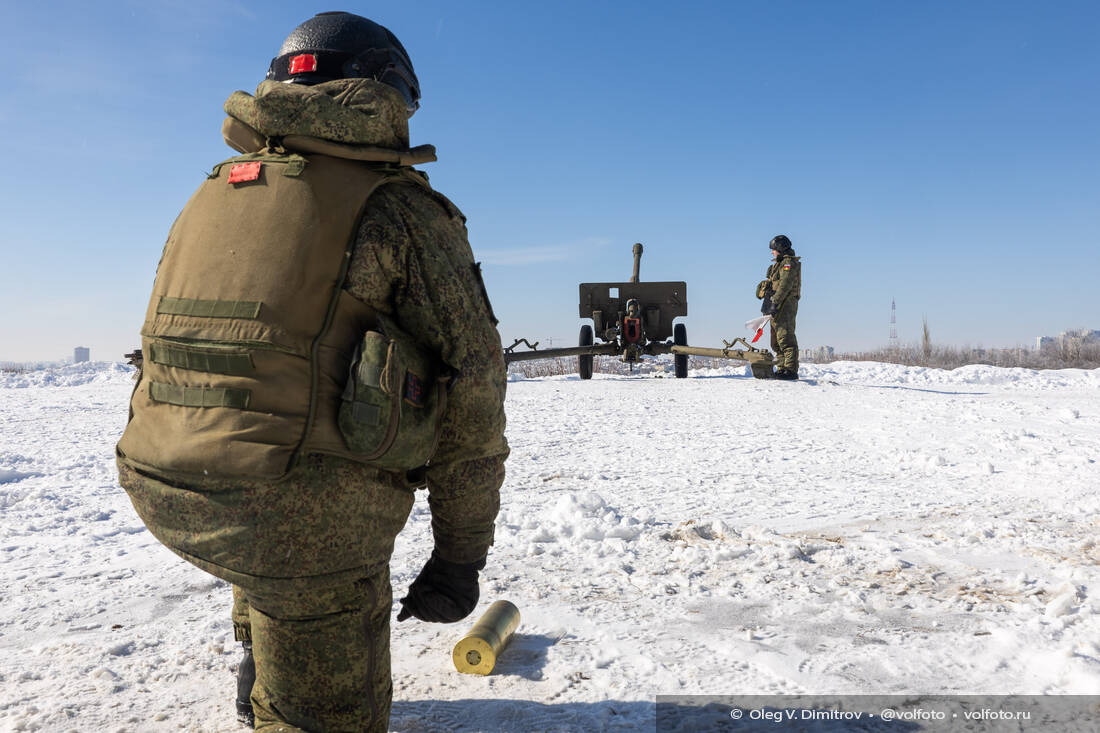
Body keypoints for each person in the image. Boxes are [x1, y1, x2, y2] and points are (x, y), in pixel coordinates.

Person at [115, 11, 509, 732]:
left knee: (273, 499)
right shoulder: (400, 210)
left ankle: (264, 657)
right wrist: (459, 558)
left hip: (164, 477)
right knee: (321, 695)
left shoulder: (216, 191)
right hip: (296, 519)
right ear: (387, 97)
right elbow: (475, 390)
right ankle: (294, 686)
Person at [756, 234, 802, 379]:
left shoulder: (788, 264)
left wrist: (775, 301)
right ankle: (782, 368)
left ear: (781, 249)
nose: (772, 252)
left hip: (785, 303)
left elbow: (785, 285)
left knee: (786, 336)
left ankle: (791, 370)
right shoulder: (778, 265)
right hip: (775, 304)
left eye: (774, 249)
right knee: (776, 340)